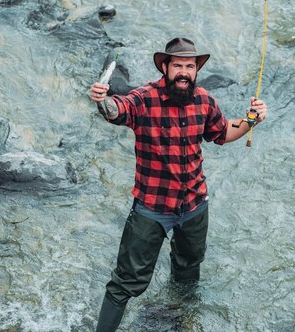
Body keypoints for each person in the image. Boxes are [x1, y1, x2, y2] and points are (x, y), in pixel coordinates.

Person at [89, 37, 267, 331]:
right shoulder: (144, 98)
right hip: (151, 208)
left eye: (189, 66)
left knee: (188, 274)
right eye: (178, 66)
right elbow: (117, 110)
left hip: (194, 206)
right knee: (125, 283)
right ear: (165, 68)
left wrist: (252, 118)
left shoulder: (205, 100)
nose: (184, 72)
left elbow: (223, 132)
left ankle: (179, 320)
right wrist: (102, 100)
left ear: (196, 70)